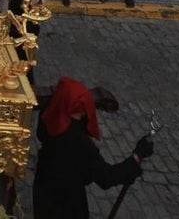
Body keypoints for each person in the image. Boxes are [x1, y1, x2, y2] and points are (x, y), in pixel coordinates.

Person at [32, 76, 150, 219]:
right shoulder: (79, 142)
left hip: (44, 185)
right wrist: (135, 158)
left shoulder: (50, 112)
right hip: (65, 201)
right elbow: (106, 177)